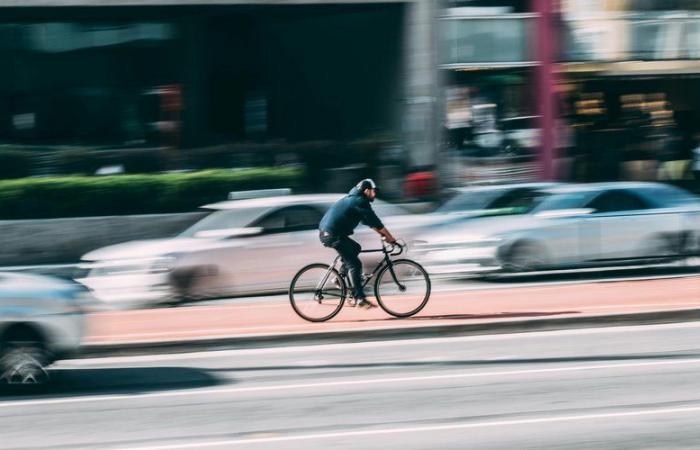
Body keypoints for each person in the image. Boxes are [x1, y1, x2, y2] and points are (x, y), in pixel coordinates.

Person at [318, 179, 397, 309]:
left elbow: (370, 222)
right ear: (366, 190)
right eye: (374, 191)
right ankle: (360, 298)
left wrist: (383, 235)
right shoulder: (359, 201)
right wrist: (390, 238)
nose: (375, 194)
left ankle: (340, 278)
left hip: (331, 233)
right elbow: (375, 221)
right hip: (332, 235)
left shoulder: (355, 200)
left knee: (356, 248)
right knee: (355, 264)